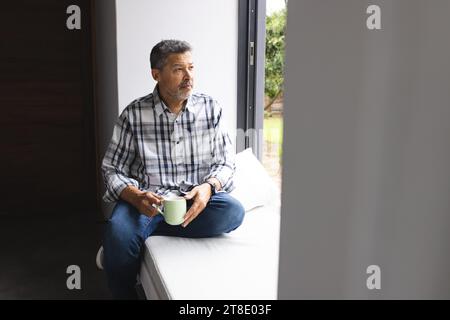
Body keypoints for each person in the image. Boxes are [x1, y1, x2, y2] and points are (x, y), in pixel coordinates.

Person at [101, 40, 245, 299]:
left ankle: (145, 232)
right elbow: (112, 169)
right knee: (117, 234)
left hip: (192, 202)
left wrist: (208, 188)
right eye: (179, 69)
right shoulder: (133, 114)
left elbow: (226, 163)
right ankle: (129, 248)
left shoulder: (211, 109)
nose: (189, 76)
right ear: (156, 74)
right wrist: (135, 196)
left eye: (191, 67)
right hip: (147, 201)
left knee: (233, 212)